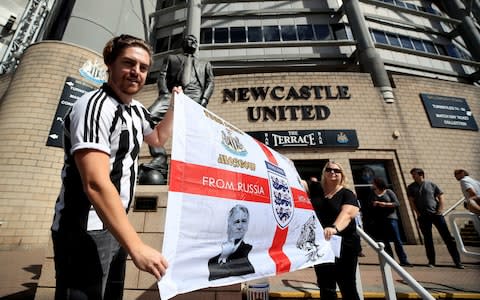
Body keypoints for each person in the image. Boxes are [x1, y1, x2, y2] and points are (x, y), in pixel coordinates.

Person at [50, 34, 180, 299]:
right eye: (129, 63)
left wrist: (174, 107)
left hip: (114, 223)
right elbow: (95, 183)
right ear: (109, 63)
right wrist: (137, 246)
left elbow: (156, 138)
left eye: (143, 68)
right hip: (82, 227)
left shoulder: (136, 110)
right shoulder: (94, 107)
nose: (136, 72)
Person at [139, 34, 215, 184]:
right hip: (172, 94)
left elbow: (210, 82)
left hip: (194, 98)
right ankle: (160, 157)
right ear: (183, 43)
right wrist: (164, 93)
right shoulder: (172, 58)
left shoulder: (205, 64)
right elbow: (162, 75)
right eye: (190, 39)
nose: (193, 42)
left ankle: (193, 164)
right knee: (147, 118)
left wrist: (203, 101)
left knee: (195, 132)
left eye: (195, 41)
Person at [306, 161, 361, 300]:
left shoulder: (347, 193)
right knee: (326, 286)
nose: (333, 172)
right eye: (329, 169)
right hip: (322, 245)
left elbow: (348, 213)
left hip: (345, 245)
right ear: (324, 172)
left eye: (337, 171)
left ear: (342, 175)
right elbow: (296, 182)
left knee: (347, 286)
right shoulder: (315, 188)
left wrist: (334, 227)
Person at [407, 168, 464, 269]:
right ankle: (431, 262)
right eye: (412, 175)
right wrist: (418, 213)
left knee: (448, 238)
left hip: (436, 215)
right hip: (423, 217)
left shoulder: (431, 184)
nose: (413, 176)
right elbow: (411, 201)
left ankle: (457, 262)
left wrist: (440, 210)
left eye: (414, 174)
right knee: (428, 240)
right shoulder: (411, 187)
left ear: (421, 175)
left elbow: (440, 197)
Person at [369, 177, 412, 267]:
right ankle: (390, 259)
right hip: (380, 219)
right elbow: (370, 206)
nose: (372, 185)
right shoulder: (372, 194)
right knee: (385, 241)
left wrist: (385, 204)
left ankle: (403, 260)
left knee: (397, 240)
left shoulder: (388, 192)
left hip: (391, 218)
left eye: (373, 183)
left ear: (378, 183)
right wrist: (374, 204)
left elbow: (397, 203)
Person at [208, 204, 255, 281]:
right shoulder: (214, 256)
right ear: (229, 224)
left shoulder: (249, 251)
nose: (240, 226)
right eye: (237, 222)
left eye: (244, 221)